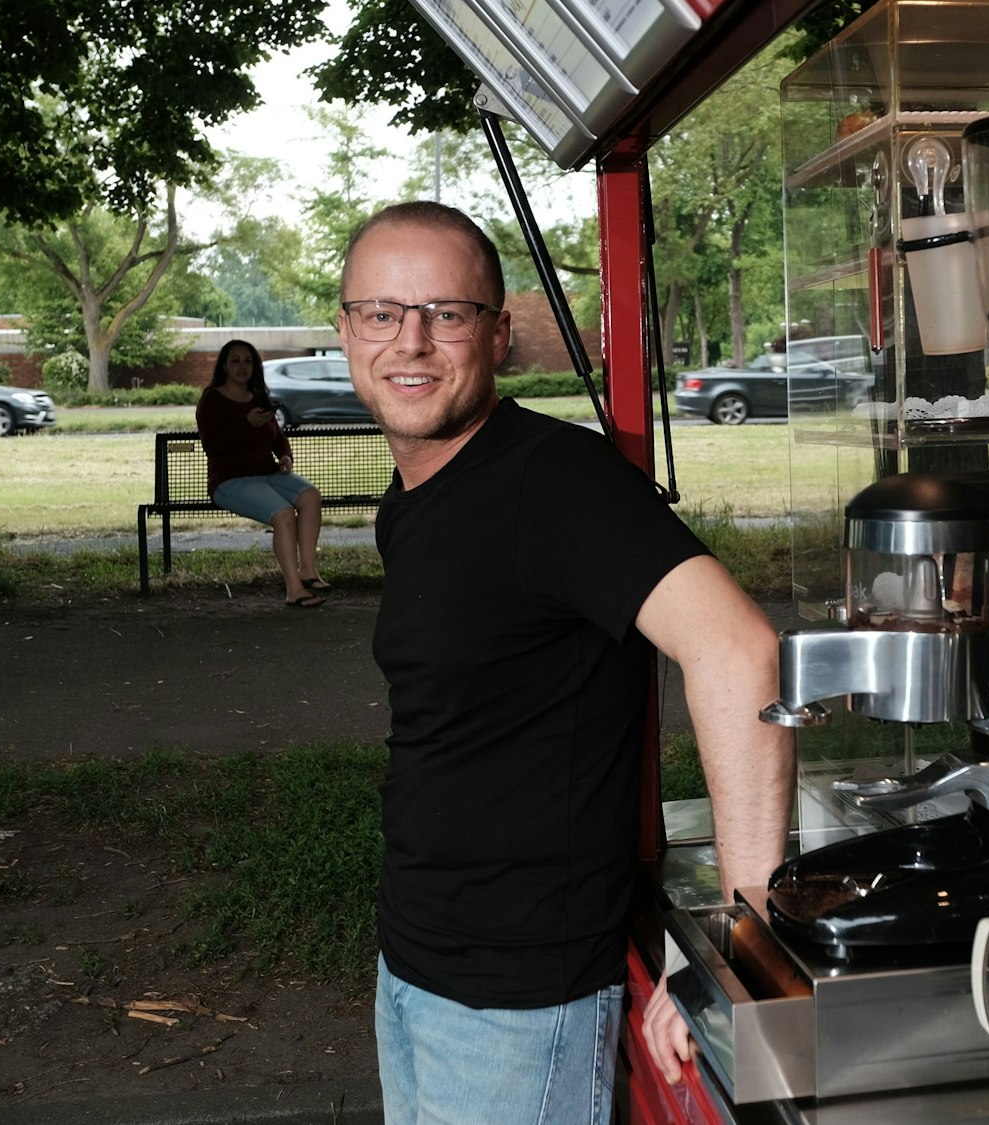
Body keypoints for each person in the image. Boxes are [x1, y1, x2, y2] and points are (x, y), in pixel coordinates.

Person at [338, 200, 794, 1123]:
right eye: (381, 312)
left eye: (446, 313)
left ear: (498, 333)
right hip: (418, 960)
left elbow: (737, 647)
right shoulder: (417, 489)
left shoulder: (554, 480)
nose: (410, 341)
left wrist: (745, 942)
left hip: (519, 997)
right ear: (346, 330)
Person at [195, 340, 331, 608]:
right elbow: (212, 446)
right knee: (283, 515)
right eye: (235, 360)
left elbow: (277, 437)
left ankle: (308, 571)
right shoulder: (211, 400)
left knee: (311, 496)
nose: (242, 367)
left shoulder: (259, 397)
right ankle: (294, 590)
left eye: (248, 361)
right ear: (224, 365)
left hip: (268, 474)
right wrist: (245, 424)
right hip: (230, 480)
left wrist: (285, 456)